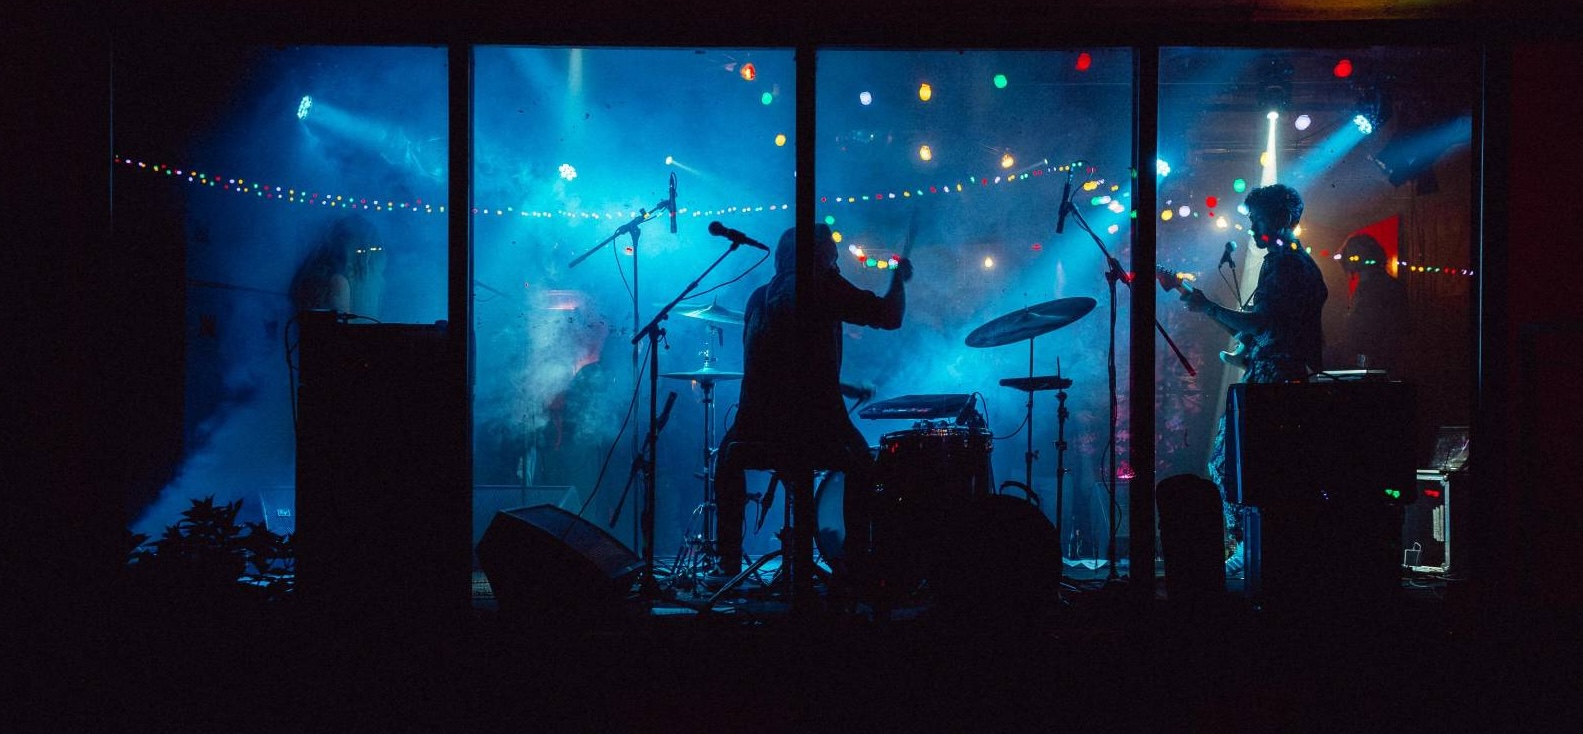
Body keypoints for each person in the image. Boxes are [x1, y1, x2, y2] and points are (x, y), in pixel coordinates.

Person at [711, 223, 911, 581]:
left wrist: (844, 385)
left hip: (753, 433)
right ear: (818, 257)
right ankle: (855, 566)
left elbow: (786, 366)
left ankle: (726, 562)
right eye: (831, 257)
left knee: (726, 456)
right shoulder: (820, 285)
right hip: (811, 431)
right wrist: (898, 279)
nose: (835, 264)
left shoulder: (758, 297)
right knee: (865, 465)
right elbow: (889, 317)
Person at [1179, 183, 1327, 576]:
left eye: (1258, 220)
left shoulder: (1284, 264)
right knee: (1260, 471)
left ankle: (1248, 550)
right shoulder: (1299, 262)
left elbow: (1262, 325)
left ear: (1283, 218)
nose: (1254, 230)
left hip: (1273, 384)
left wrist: (1207, 307)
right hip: (1284, 378)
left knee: (1233, 465)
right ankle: (1260, 552)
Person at [1333, 233, 1409, 373]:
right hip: (1379, 366)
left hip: (1377, 368)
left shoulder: (1374, 288)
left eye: (1353, 255)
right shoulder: (1386, 285)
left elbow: (1371, 336)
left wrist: (1359, 362)